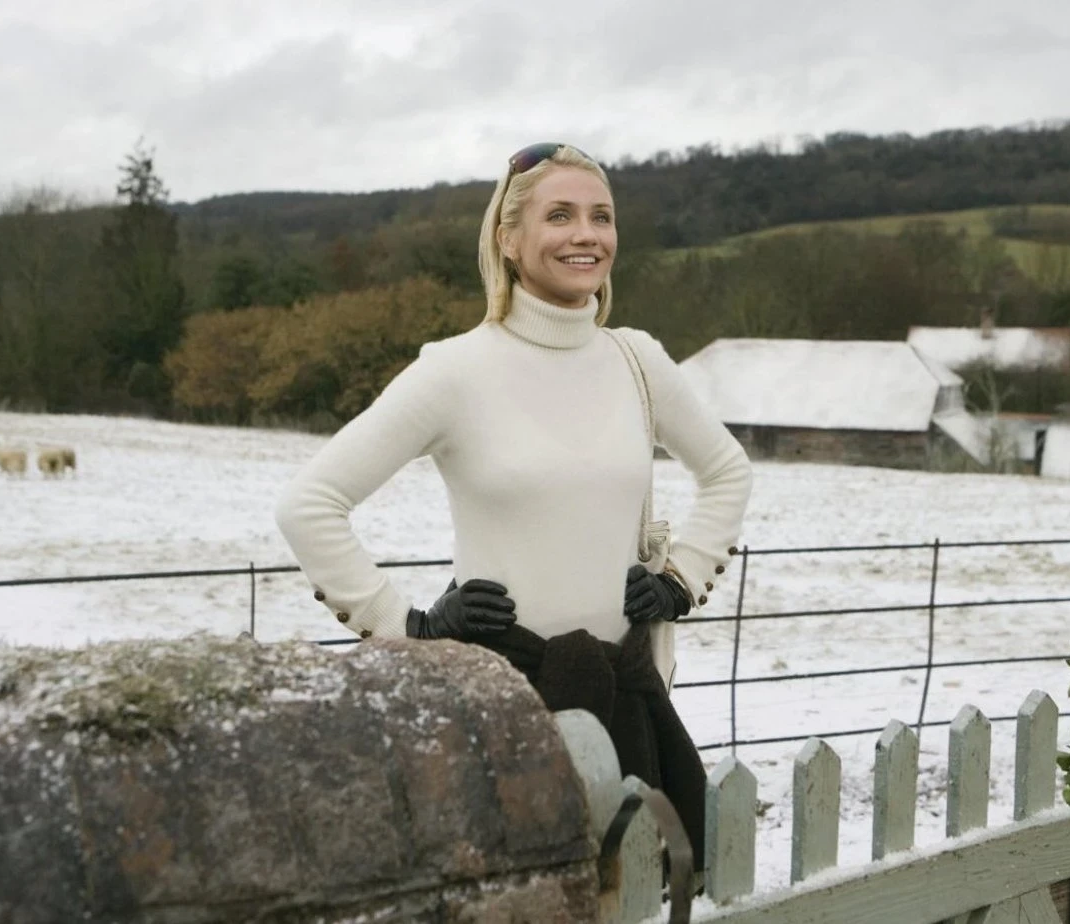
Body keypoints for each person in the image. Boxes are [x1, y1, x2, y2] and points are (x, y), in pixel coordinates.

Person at [275, 142, 752, 867]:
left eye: (601, 216)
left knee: (630, 899)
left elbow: (726, 470)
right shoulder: (454, 371)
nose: (586, 235)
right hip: (497, 703)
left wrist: (681, 581)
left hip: (627, 699)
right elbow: (311, 503)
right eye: (559, 215)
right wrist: (408, 628)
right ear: (507, 238)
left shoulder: (637, 361)